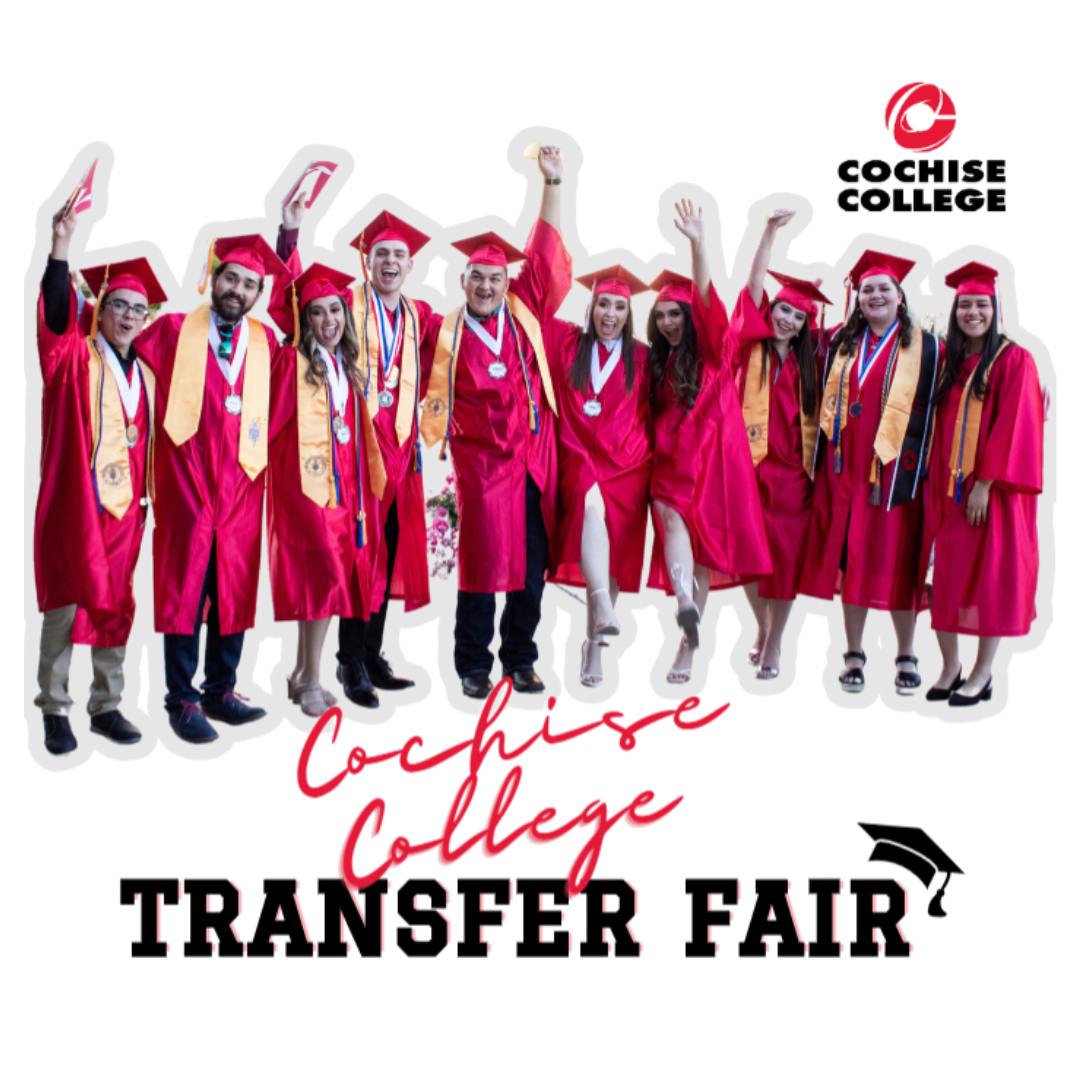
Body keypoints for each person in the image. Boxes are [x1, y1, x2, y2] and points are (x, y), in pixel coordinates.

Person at [420, 146, 571, 698]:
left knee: (531, 571)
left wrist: (552, 182)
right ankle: (472, 664)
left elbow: (544, 253)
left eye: (495, 278)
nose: (487, 286)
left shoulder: (526, 311)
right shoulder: (444, 333)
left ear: (507, 283)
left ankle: (521, 658)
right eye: (477, 278)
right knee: (481, 571)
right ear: (463, 281)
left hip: (531, 463)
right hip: (480, 467)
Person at [277, 204, 440, 708]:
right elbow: (293, 301)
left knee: (385, 552)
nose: (391, 262)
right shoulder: (343, 302)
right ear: (368, 261)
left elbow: (451, 361)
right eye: (382, 253)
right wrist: (290, 232)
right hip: (354, 451)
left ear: (411, 265)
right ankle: (347, 662)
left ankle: (370, 653)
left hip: (400, 453)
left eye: (400, 255)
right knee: (356, 555)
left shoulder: (421, 316)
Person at [137, 234, 286, 742]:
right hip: (188, 487)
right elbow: (117, 338)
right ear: (213, 279)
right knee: (184, 590)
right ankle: (181, 700)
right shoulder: (174, 330)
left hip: (243, 488)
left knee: (233, 589)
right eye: (230, 279)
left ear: (257, 293)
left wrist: (289, 234)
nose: (237, 290)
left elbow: (302, 319)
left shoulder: (265, 343)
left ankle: (221, 690)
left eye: (249, 284)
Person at [33, 205, 166, 754]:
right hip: (78, 504)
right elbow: (57, 312)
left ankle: (106, 705)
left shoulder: (149, 376)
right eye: (120, 306)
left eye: (139, 309)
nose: (131, 316)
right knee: (66, 602)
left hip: (128, 509)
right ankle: (54, 707)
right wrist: (61, 247)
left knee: (116, 603)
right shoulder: (73, 358)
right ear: (101, 310)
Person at [799, 250, 941, 695]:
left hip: (898, 474)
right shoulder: (839, 343)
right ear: (857, 299)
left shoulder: (930, 346)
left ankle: (906, 652)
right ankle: (854, 653)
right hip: (845, 473)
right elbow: (786, 340)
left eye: (884, 289)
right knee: (851, 558)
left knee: (899, 560)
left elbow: (971, 376)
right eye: (866, 290)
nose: (875, 295)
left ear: (900, 298)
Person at [646, 200, 771, 684]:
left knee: (718, 559)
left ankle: (722, 640)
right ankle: (685, 612)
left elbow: (706, 292)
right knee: (673, 526)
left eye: (676, 315)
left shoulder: (717, 345)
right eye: (660, 317)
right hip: (671, 465)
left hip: (716, 464)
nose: (668, 323)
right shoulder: (655, 362)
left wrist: (698, 242)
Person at [920, 261, 1044, 706]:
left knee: (990, 579)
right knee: (943, 578)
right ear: (955, 311)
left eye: (981, 304)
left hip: (989, 493)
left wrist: (984, 486)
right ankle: (950, 666)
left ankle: (982, 672)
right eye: (965, 304)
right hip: (944, 489)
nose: (973, 311)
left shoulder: (1014, 360)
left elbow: (1015, 428)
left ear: (996, 308)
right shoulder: (948, 360)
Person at [266, 262, 384, 715]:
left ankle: (301, 671)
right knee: (320, 579)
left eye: (335, 309)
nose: (329, 319)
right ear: (304, 319)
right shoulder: (289, 362)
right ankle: (313, 677)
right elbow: (276, 429)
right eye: (316, 312)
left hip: (345, 493)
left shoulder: (346, 367)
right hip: (307, 490)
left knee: (329, 579)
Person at [728, 209, 831, 680]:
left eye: (798, 314)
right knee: (749, 557)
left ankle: (775, 642)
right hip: (747, 467)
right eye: (783, 309)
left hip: (795, 477)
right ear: (770, 311)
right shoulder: (750, 344)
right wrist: (768, 233)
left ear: (808, 322)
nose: (788, 318)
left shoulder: (817, 359)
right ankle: (762, 625)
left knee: (786, 562)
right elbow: (751, 286)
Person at [547, 265, 653, 686]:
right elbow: (535, 299)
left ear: (629, 313)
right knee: (590, 505)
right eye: (603, 304)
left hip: (628, 462)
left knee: (616, 557)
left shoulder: (643, 356)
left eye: (620, 306)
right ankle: (602, 610)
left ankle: (594, 645)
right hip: (577, 455)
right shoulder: (566, 342)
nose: (610, 314)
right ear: (590, 305)